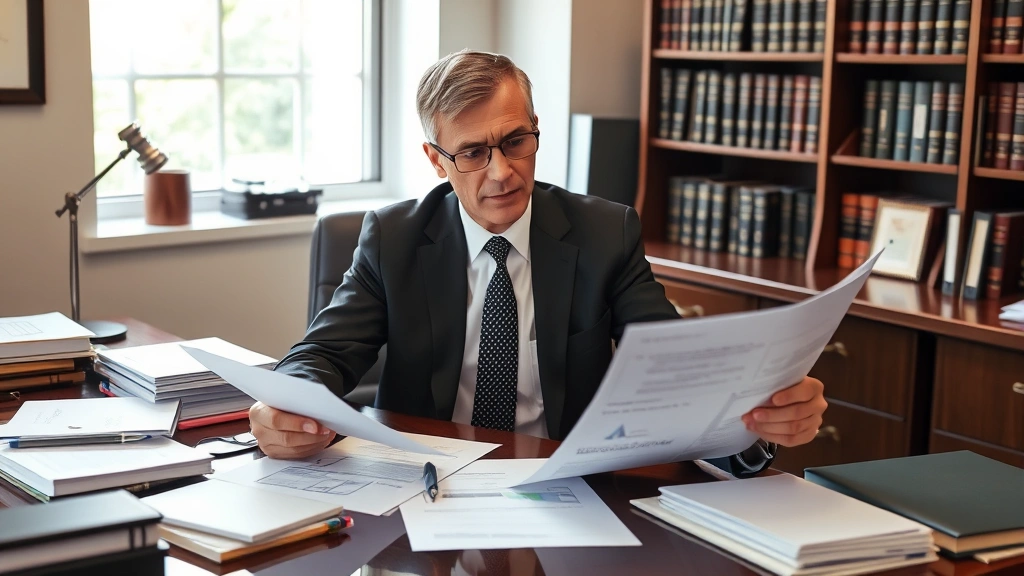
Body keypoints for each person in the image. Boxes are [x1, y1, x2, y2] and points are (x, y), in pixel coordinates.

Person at [250, 50, 827, 476]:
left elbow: (678, 375)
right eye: (473, 152)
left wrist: (753, 431)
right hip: (427, 481)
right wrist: (286, 409)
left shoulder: (606, 233)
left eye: (515, 142)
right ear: (436, 160)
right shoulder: (393, 238)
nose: (501, 172)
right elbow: (321, 355)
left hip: (566, 482)